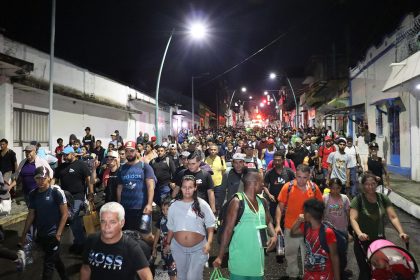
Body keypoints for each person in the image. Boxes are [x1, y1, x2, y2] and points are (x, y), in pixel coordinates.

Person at [213, 171, 277, 280]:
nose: (264, 185)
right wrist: (220, 256)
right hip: (239, 262)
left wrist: (274, 236)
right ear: (254, 183)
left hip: (257, 262)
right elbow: (228, 230)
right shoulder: (237, 202)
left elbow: (268, 221)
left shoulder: (263, 202)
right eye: (262, 183)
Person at [350, 172, 409, 280]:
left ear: (377, 184)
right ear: (363, 186)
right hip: (362, 242)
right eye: (367, 184)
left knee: (380, 270)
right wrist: (359, 234)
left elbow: (393, 217)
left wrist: (401, 232)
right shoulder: (357, 200)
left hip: (379, 242)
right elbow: (353, 219)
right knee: (365, 271)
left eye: (373, 183)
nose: (371, 186)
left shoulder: (382, 198)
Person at [80, 202, 153, 280]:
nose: (106, 227)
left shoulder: (132, 247)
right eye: (103, 221)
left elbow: (146, 276)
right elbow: (86, 268)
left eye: (112, 222)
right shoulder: (91, 240)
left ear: (122, 223)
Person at [275, 164, 323, 279]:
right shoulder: (288, 187)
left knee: (309, 255)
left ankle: (308, 276)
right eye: (299, 177)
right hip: (290, 227)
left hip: (309, 229)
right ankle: (292, 275)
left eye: (304, 177)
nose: (301, 180)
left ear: (309, 176)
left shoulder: (314, 188)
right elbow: (279, 207)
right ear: (295, 174)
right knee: (290, 255)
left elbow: (321, 207)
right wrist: (277, 225)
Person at [20, 166, 69, 280]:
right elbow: (31, 215)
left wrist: (58, 234)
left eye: (43, 178)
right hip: (41, 234)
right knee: (55, 260)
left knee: (48, 265)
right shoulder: (33, 194)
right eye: (38, 178)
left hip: (53, 235)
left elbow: (65, 214)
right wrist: (23, 235)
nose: (41, 181)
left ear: (48, 178)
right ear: (34, 179)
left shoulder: (56, 192)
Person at [166, 175, 216, 280]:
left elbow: (210, 225)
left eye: (190, 187)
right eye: (184, 187)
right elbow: (170, 227)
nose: (187, 190)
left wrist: (209, 243)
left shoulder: (203, 204)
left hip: (198, 249)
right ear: (181, 188)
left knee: (193, 277)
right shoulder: (174, 205)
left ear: (195, 188)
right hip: (178, 248)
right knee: (181, 276)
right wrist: (167, 243)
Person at [54, 145, 93, 254]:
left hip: (78, 197)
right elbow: (54, 180)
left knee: (71, 217)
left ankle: (81, 243)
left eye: (67, 155)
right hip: (65, 198)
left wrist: (90, 192)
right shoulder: (61, 167)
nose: (65, 157)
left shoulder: (81, 165)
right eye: (64, 155)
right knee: (73, 220)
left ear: (73, 154)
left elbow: (88, 179)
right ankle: (79, 242)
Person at [290, 198, 340, 280]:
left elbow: (334, 256)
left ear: (308, 215)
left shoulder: (327, 232)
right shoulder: (306, 228)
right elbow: (293, 232)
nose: (302, 214)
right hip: (309, 274)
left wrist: (337, 278)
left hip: (324, 275)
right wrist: (299, 220)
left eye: (304, 212)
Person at [116, 141, 155, 231]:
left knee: (145, 235)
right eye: (127, 151)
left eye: (131, 151)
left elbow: (150, 187)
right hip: (126, 209)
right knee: (127, 235)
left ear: (137, 151)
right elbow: (119, 188)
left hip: (142, 209)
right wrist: (119, 205)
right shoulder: (121, 169)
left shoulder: (145, 167)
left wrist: (149, 204)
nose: (129, 153)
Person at [263, 151, 295, 222]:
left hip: (286, 201)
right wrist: (269, 195)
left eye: (279, 160)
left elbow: (295, 184)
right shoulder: (269, 173)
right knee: (273, 220)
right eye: (275, 160)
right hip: (273, 201)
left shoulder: (289, 172)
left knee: (286, 220)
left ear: (283, 160)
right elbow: (265, 186)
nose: (277, 162)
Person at [152, 200, 177, 280]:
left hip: (174, 251)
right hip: (164, 250)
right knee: (170, 272)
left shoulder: (176, 220)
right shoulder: (161, 220)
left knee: (173, 272)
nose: (165, 211)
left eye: (167, 209)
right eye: (163, 209)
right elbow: (157, 233)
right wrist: (154, 247)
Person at [205, 144, 226, 215]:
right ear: (208, 150)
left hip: (218, 185)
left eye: (214, 150)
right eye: (211, 150)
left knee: (217, 203)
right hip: (208, 185)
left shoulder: (221, 159)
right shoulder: (205, 160)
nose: (213, 151)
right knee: (208, 202)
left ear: (217, 151)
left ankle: (217, 217)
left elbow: (223, 170)